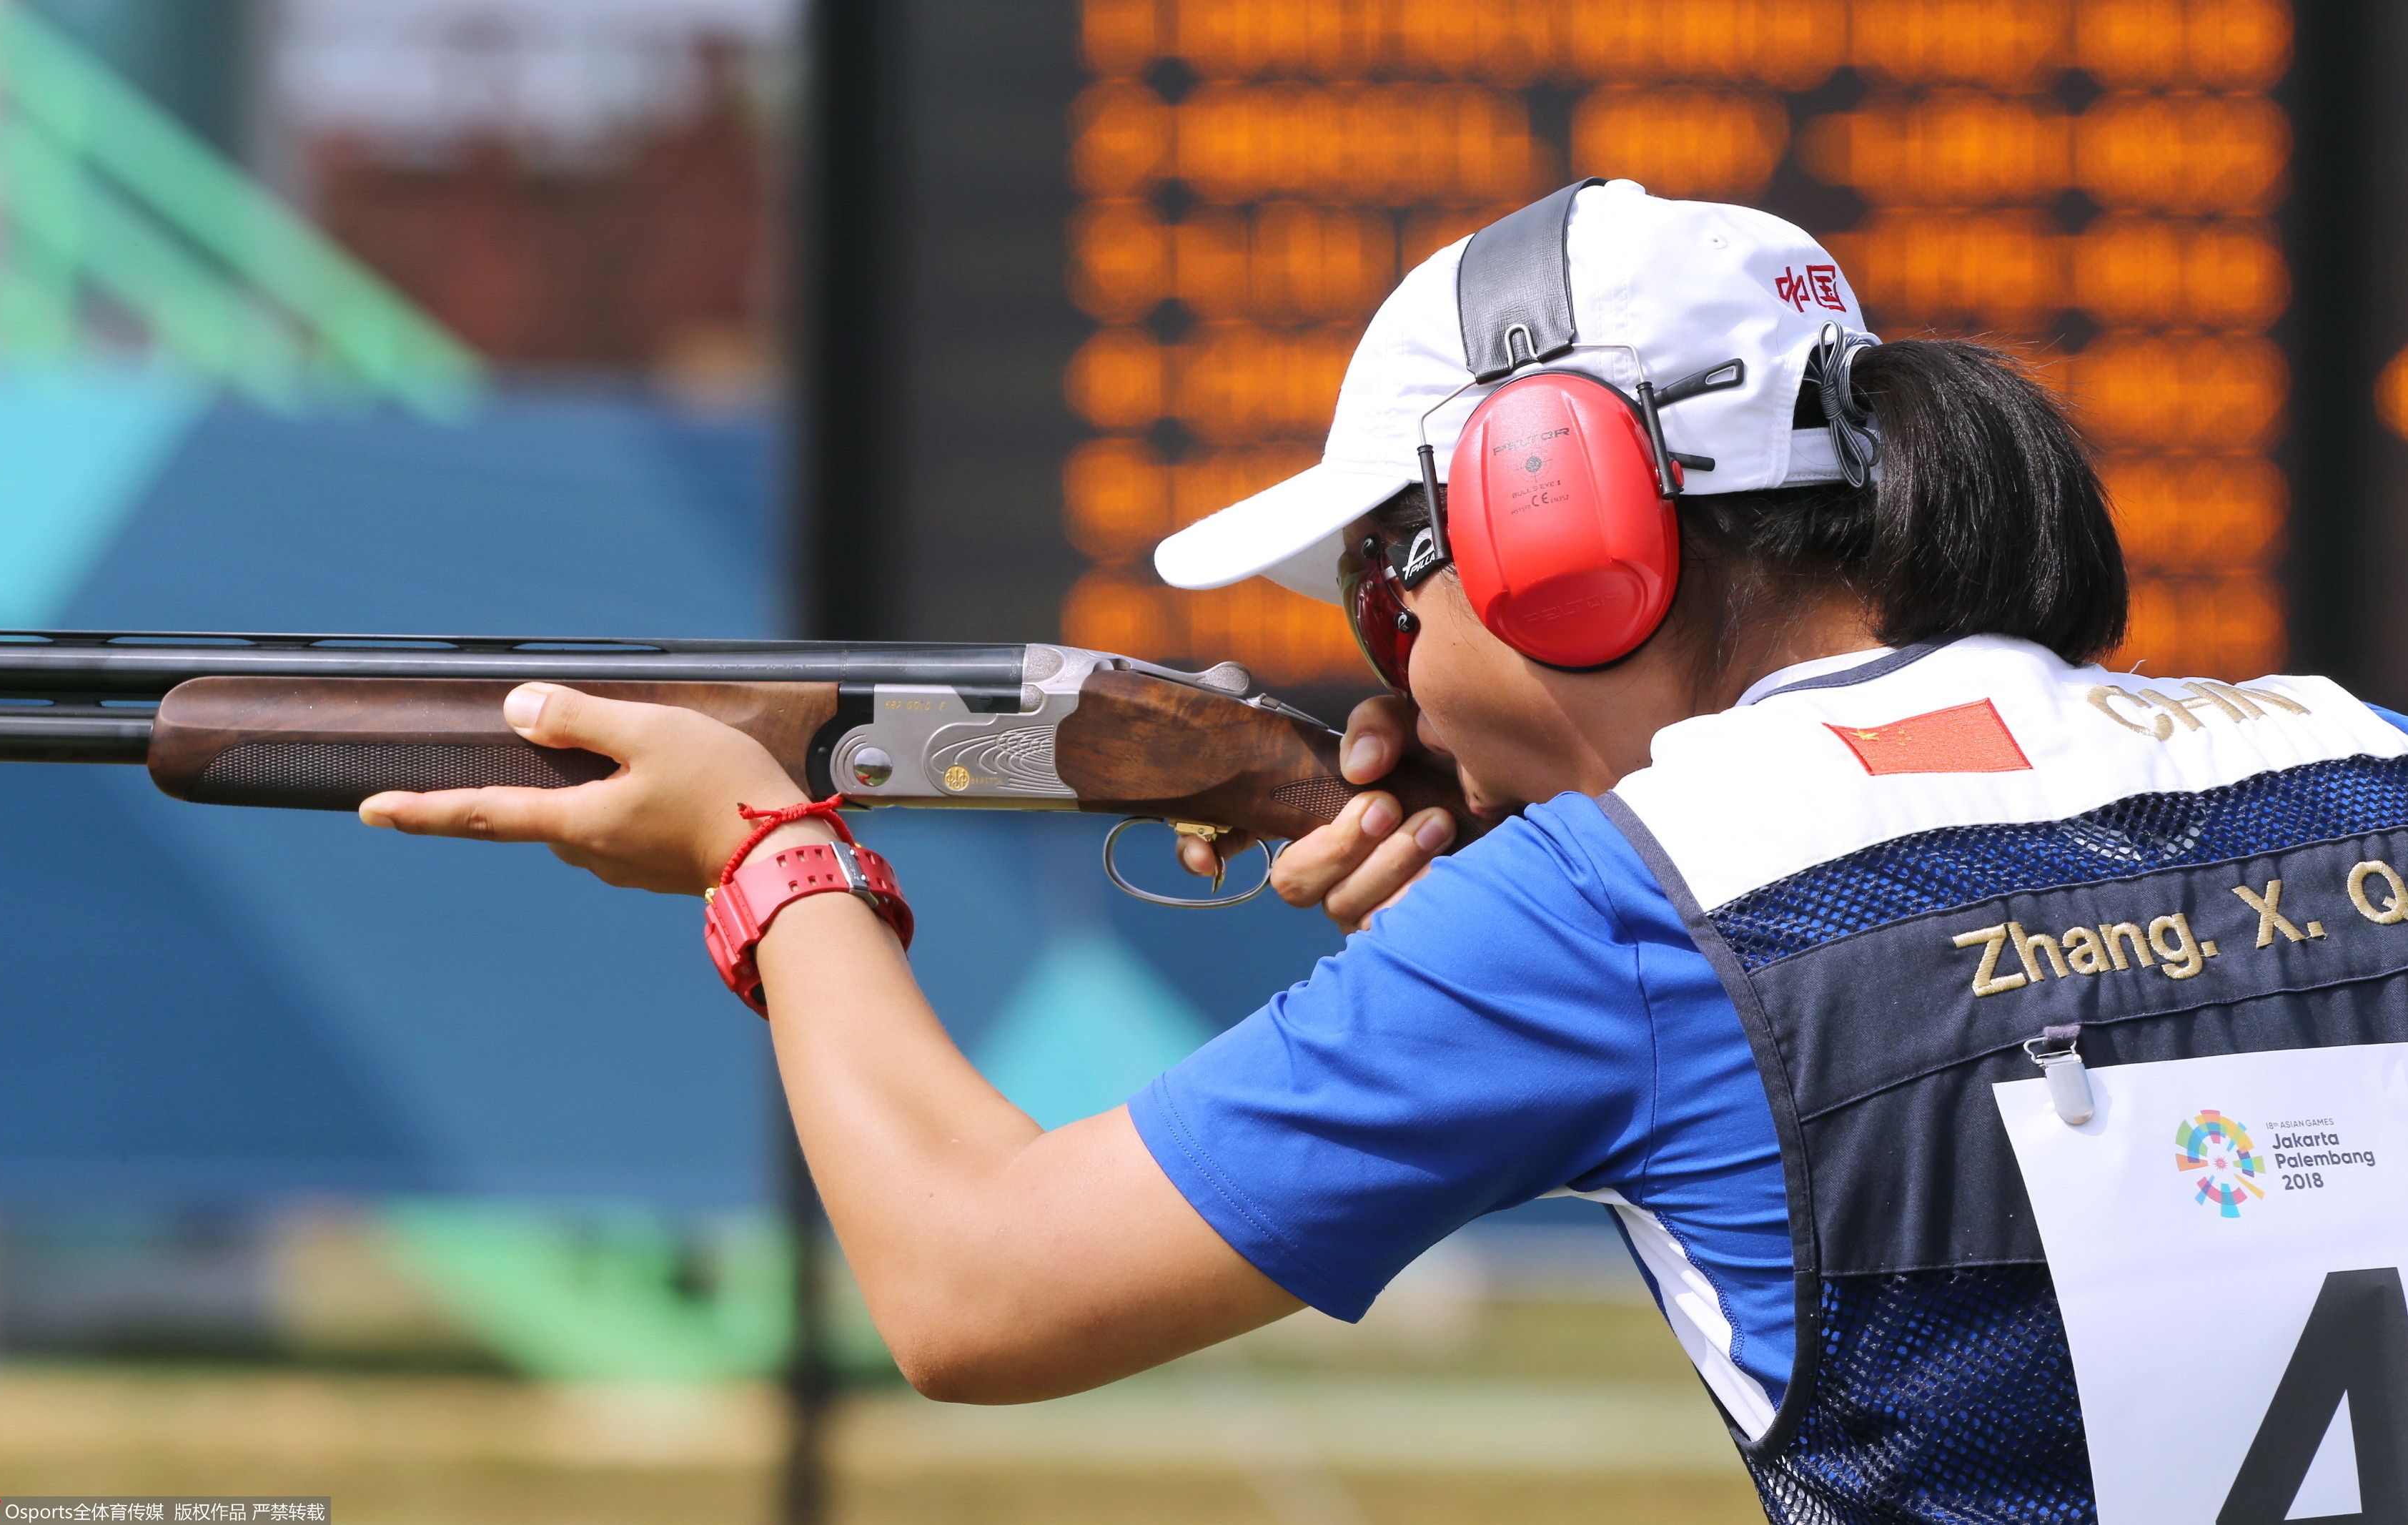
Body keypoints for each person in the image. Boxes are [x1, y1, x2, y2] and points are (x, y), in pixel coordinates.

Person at [357, 182, 2408, 1524]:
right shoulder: (2353, 763)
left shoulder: (1620, 917)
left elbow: (971, 1290)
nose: (1386, 666)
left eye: (1379, 581)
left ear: (1549, 518)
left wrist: (769, 861)